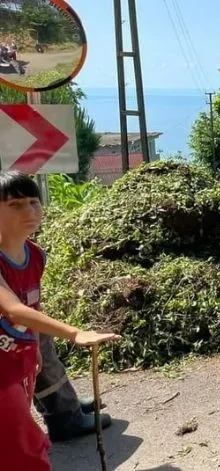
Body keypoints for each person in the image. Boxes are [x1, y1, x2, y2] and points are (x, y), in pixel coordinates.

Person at [0, 170, 121, 469]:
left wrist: (35, 344)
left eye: (33, 201)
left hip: (20, 362)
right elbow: (13, 309)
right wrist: (75, 332)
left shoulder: (35, 255)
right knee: (25, 449)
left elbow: (32, 302)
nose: (29, 211)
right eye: (15, 205)